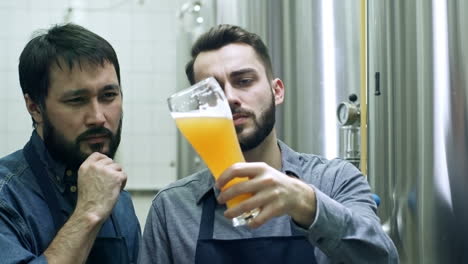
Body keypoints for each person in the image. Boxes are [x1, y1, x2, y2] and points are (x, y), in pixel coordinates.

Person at [139, 24, 399, 263]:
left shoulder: (335, 181)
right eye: (212, 91)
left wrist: (307, 204)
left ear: (277, 91)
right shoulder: (172, 208)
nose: (230, 98)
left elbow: (384, 259)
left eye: (244, 81)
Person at [0, 23, 140, 263]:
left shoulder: (119, 199)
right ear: (35, 108)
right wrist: (88, 213)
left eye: (108, 96)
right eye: (77, 100)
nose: (98, 117)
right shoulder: (7, 196)